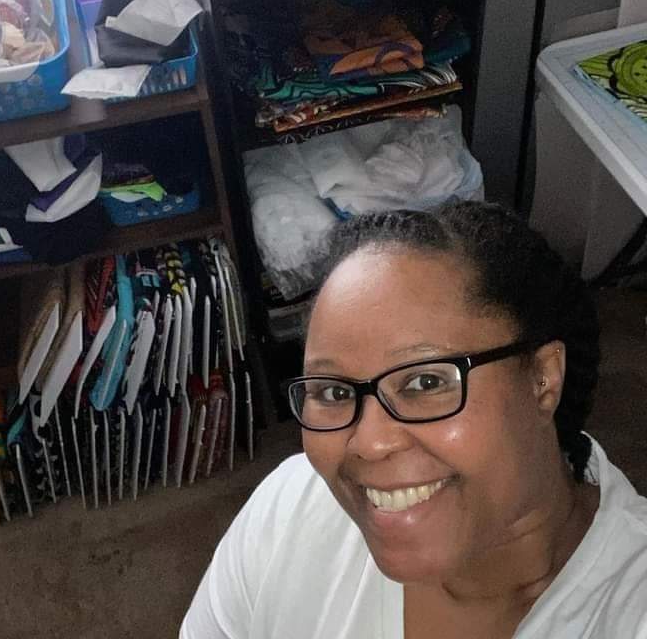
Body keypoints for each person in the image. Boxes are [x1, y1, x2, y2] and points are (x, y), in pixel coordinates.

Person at [180, 201, 647, 639]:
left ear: (543, 378)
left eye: (425, 382)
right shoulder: (287, 512)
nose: (369, 443)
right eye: (335, 392)